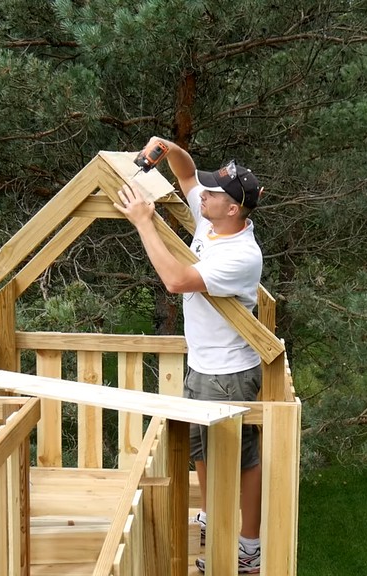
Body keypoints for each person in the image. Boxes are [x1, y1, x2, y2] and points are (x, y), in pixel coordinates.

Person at [113, 137, 264, 574]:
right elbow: (184, 172)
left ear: (234, 208)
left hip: (229, 373)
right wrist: (167, 145)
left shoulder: (240, 254)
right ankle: (216, 515)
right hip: (204, 365)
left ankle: (247, 548)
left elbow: (176, 281)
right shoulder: (213, 218)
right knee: (201, 447)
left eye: (215, 191)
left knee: (243, 460)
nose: (205, 191)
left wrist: (144, 222)